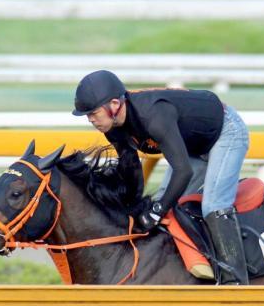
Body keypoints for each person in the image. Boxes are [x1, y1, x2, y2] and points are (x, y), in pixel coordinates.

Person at [72, 70, 251, 284]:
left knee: (213, 206)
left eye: (93, 113)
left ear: (114, 104)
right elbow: (131, 168)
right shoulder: (113, 127)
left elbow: (183, 171)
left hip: (225, 131)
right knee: (163, 203)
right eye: (88, 116)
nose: (91, 120)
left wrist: (157, 211)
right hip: (194, 145)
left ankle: (236, 282)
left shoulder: (153, 117)